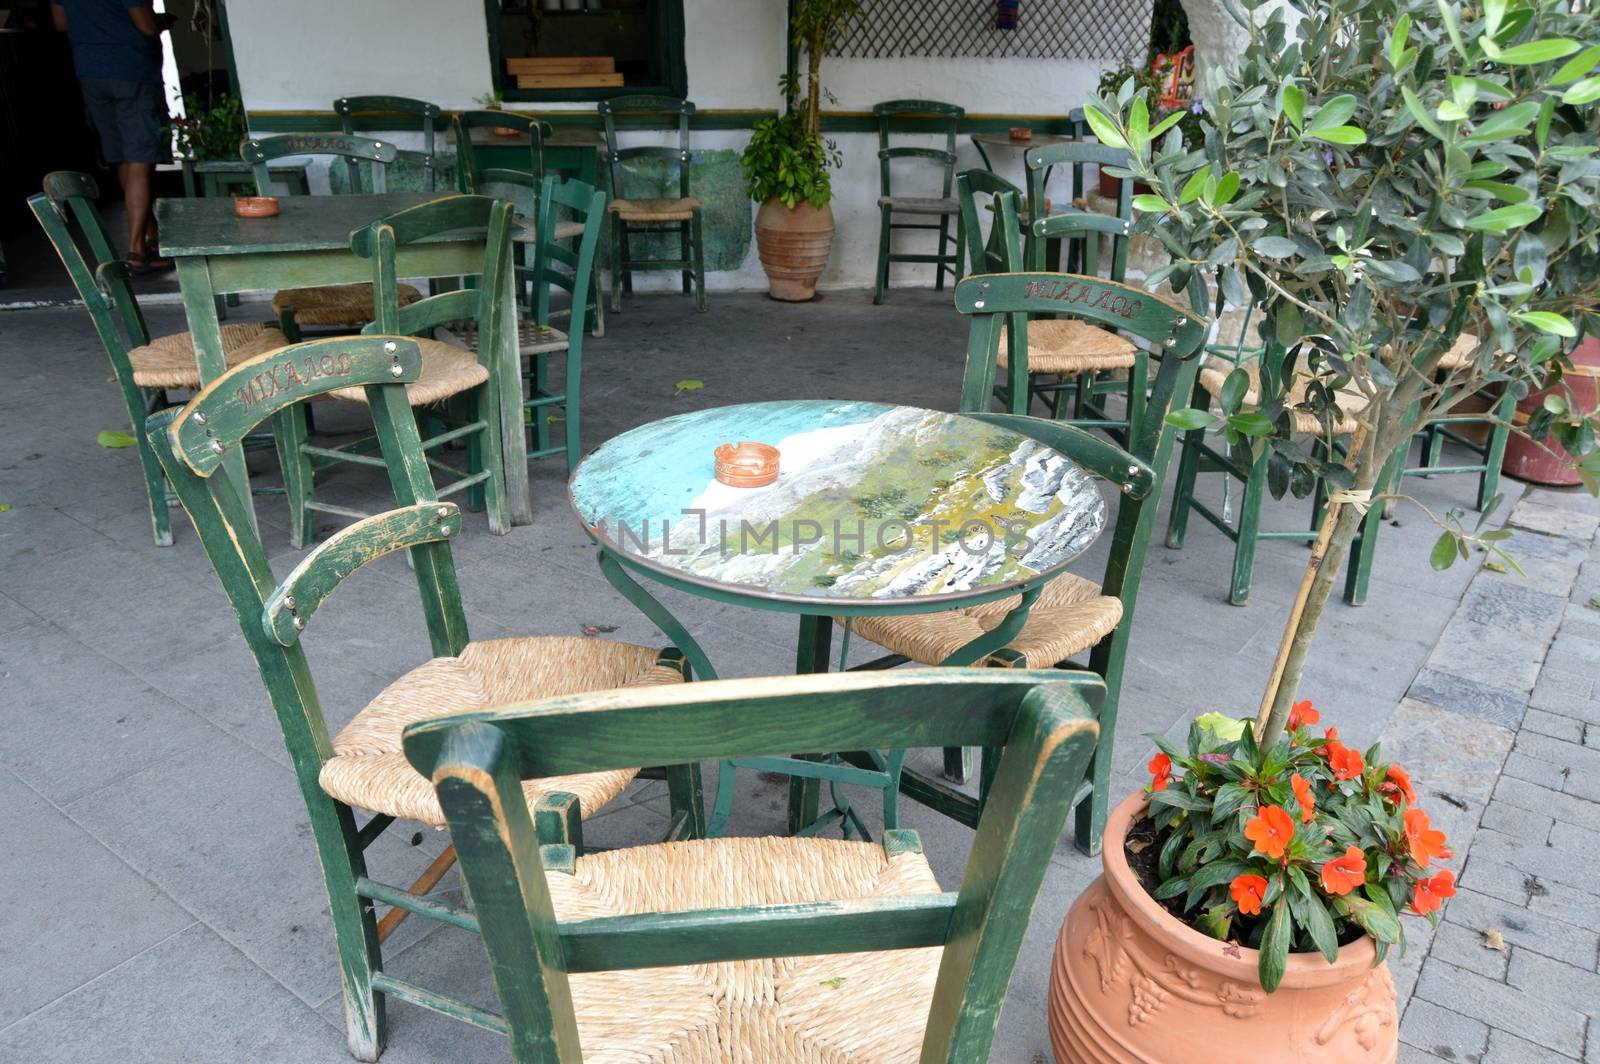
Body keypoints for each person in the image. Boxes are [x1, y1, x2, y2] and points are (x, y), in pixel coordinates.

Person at [52, 0, 176, 272]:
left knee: (122, 157)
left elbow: (61, 22)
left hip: (91, 72)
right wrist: (163, 21)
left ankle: (150, 233)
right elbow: (146, 25)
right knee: (141, 157)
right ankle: (136, 251)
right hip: (132, 70)